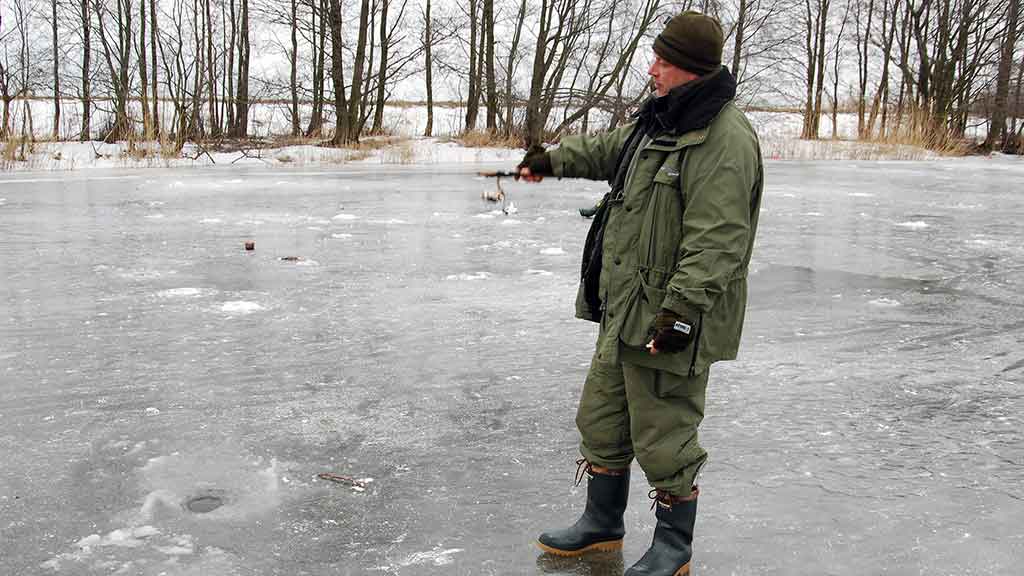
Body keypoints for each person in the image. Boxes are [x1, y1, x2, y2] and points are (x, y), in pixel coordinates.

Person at [517, 11, 763, 576]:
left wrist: (681, 313)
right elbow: (606, 149)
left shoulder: (723, 138)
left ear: (692, 69)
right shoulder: (661, 120)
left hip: (670, 316)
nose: (652, 69)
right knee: (602, 419)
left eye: (663, 61)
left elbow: (718, 240)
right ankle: (601, 523)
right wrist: (551, 160)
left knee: (665, 434)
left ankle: (674, 547)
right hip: (626, 308)